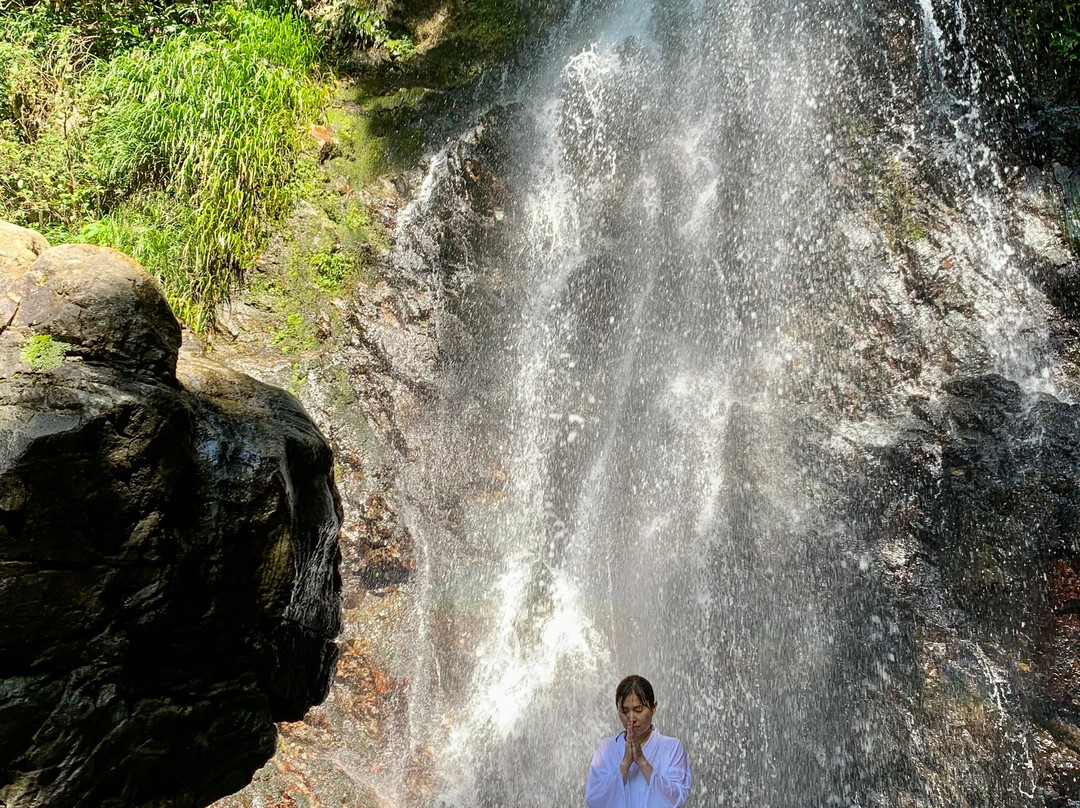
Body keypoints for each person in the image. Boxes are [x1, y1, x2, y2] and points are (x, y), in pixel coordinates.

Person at [585, 675, 692, 808]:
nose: (631, 718)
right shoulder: (606, 747)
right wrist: (625, 764)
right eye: (625, 711)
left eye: (638, 710)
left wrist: (642, 761)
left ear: (654, 707)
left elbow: (678, 798)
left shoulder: (672, 748)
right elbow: (593, 798)